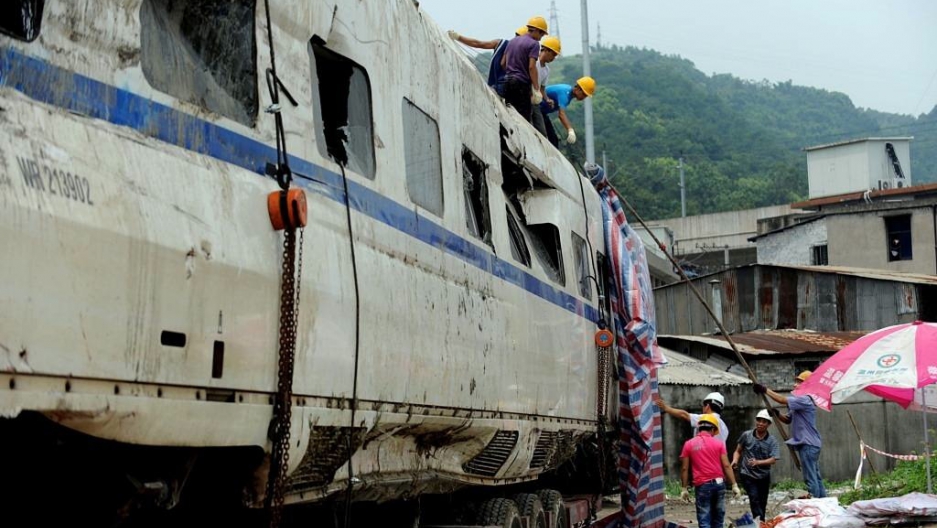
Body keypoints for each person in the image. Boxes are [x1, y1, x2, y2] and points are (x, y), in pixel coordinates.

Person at [754, 370, 826, 498]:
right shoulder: (801, 402)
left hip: (808, 444)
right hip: (811, 444)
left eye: (798, 382)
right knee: (815, 476)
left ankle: (815, 503)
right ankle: (823, 501)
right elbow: (788, 419)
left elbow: (782, 399)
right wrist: (777, 414)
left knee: (810, 477)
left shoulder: (805, 399)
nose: (794, 385)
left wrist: (765, 389)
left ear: (807, 385)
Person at [680, 414, 742, 528]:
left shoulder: (689, 444)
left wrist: (684, 488)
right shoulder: (719, 444)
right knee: (718, 521)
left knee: (704, 520)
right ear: (712, 429)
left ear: (699, 428)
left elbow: (684, 468)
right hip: (719, 484)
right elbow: (727, 465)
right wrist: (734, 485)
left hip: (702, 486)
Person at [446, 26, 529, 95]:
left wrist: (458, 37)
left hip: (497, 86)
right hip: (506, 88)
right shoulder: (518, 52)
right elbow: (479, 44)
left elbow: (479, 44)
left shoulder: (502, 43)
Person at [731, 409, 780, 522]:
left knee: (762, 501)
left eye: (764, 421)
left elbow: (773, 459)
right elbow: (738, 450)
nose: (760, 423)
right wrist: (735, 460)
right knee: (754, 498)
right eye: (759, 420)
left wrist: (758, 462)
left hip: (763, 475)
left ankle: (760, 521)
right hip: (747, 474)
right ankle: (759, 522)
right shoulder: (746, 435)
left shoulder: (772, 441)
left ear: (769, 424)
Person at [500, 16, 548, 121]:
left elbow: (503, 63)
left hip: (507, 81)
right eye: (542, 34)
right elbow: (531, 67)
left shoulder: (512, 41)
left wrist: (511, 72)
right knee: (523, 120)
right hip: (521, 84)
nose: (541, 38)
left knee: (509, 116)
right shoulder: (534, 44)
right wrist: (536, 88)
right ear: (536, 30)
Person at [537, 76, 595, 147]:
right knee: (543, 135)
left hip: (542, 113)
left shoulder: (568, 92)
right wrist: (570, 130)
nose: (583, 98)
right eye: (584, 95)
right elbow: (561, 114)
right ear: (578, 89)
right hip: (536, 109)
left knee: (553, 140)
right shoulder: (565, 94)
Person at [655, 391, 729, 444]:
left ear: (707, 406)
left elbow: (684, 415)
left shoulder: (706, 419)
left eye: (703, 405)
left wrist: (667, 408)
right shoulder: (724, 426)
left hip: (704, 460)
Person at [530, 36, 560, 137]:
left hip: (535, 102)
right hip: (525, 97)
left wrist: (547, 99)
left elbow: (542, 88)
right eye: (553, 55)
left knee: (542, 132)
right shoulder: (534, 62)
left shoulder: (547, 70)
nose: (553, 58)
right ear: (546, 50)